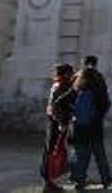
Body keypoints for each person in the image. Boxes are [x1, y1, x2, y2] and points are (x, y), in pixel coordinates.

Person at [70, 56, 112, 190]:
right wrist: (99, 115)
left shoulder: (77, 81)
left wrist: (73, 115)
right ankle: (106, 180)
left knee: (80, 154)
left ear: (84, 64)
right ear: (95, 64)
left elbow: (66, 101)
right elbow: (105, 103)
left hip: (79, 125)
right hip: (95, 124)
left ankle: (79, 181)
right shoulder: (99, 81)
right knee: (100, 154)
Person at [42, 63, 75, 191]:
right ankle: (48, 181)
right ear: (65, 74)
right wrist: (61, 123)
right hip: (55, 123)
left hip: (56, 122)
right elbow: (54, 107)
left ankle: (50, 181)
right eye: (70, 73)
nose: (72, 75)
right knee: (51, 151)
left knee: (53, 150)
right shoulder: (60, 85)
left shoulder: (59, 84)